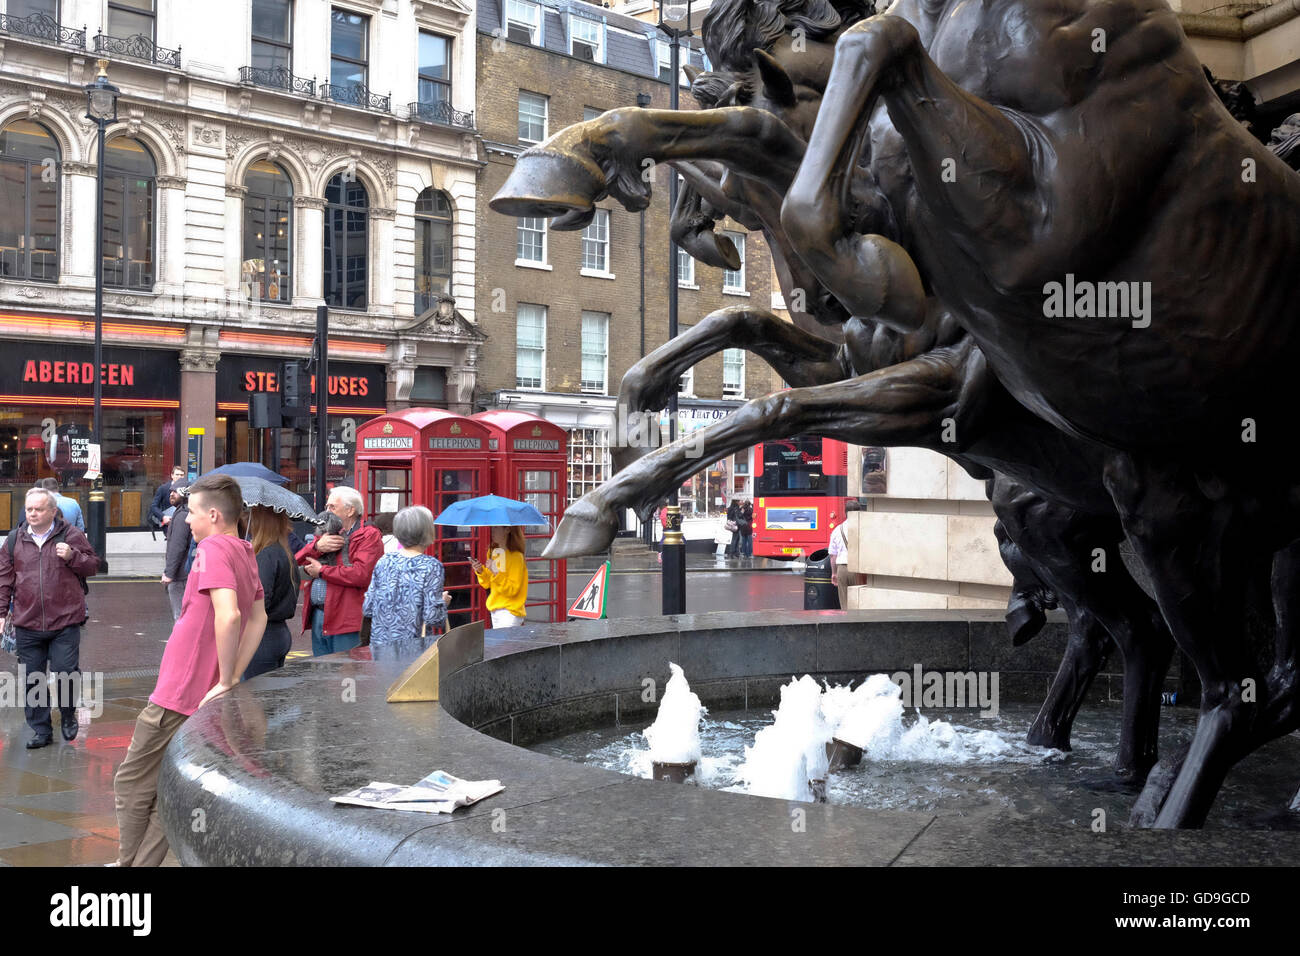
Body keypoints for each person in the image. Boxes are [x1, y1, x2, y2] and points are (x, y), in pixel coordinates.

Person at [112, 473, 266, 866]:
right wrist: (228, 678)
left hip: (178, 694)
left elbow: (230, 615)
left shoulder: (212, 548)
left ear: (213, 515)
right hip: (203, 693)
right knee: (168, 790)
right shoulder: (244, 550)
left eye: (191, 514)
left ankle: (128, 865)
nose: (186, 522)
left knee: (130, 784)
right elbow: (257, 619)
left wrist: (227, 677)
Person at [0, 488, 99, 748]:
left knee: (66, 671)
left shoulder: (71, 535)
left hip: (64, 620)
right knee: (33, 678)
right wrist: (1, 614)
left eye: (39, 509)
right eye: (29, 509)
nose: (32, 513)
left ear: (53, 511)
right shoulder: (13, 540)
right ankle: (41, 730)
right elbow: (4, 580)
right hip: (27, 622)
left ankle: (68, 714)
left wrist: (72, 556)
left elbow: (93, 566)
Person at [297, 486, 382, 656]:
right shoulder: (326, 534)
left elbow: (361, 575)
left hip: (347, 618)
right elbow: (294, 563)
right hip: (319, 615)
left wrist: (322, 571)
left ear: (350, 510)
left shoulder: (368, 535)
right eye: (327, 506)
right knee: (323, 674)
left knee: (346, 677)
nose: (327, 511)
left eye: (332, 507)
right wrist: (316, 546)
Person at [363, 506, 451, 660]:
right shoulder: (431, 566)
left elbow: (368, 608)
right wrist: (443, 602)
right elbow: (433, 617)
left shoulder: (384, 561)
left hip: (381, 648)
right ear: (427, 531)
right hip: (413, 650)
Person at [243, 506, 300, 680]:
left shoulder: (265, 555)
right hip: (278, 632)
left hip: (262, 636)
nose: (246, 520)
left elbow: (259, 601)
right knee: (270, 699)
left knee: (254, 700)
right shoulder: (283, 551)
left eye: (250, 516)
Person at [470, 525, 528, 628]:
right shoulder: (494, 552)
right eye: (492, 527)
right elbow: (487, 584)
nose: (492, 531)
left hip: (510, 612)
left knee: (505, 644)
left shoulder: (516, 557)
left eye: (496, 527)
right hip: (495, 610)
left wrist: (496, 571)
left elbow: (512, 590)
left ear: (507, 530)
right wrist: (480, 571)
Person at [160, 493, 194, 621]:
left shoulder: (182, 515)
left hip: (180, 576)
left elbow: (177, 546)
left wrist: (169, 573)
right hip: (185, 573)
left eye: (176, 491)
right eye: (171, 491)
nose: (171, 494)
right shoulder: (182, 513)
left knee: (180, 617)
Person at [828, 500, 863, 610]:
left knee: (844, 604)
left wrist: (834, 573)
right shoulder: (863, 528)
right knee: (859, 603)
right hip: (858, 569)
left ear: (845, 513)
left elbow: (833, 556)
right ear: (859, 513)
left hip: (842, 569)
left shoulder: (837, 530)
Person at [149, 465, 186, 531]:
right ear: (172, 475)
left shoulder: (187, 489)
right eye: (177, 474)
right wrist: (163, 516)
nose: (179, 477)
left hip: (183, 522)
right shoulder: (163, 488)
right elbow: (153, 506)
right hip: (168, 523)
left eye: (182, 475)